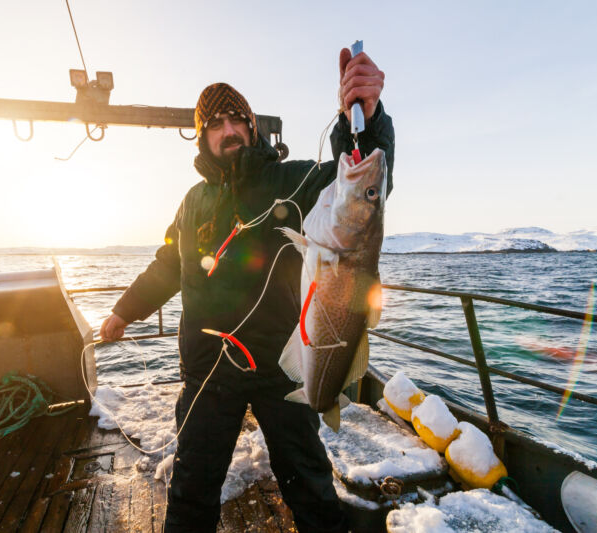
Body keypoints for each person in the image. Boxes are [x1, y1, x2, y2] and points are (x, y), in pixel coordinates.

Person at [100, 48, 394, 533]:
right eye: (214, 123)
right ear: (202, 136)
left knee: (310, 484)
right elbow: (165, 266)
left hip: (281, 366)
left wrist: (364, 115)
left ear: (252, 128)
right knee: (192, 487)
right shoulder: (194, 202)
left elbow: (358, 188)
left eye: (237, 118)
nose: (228, 128)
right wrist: (123, 312)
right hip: (208, 370)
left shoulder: (291, 179)